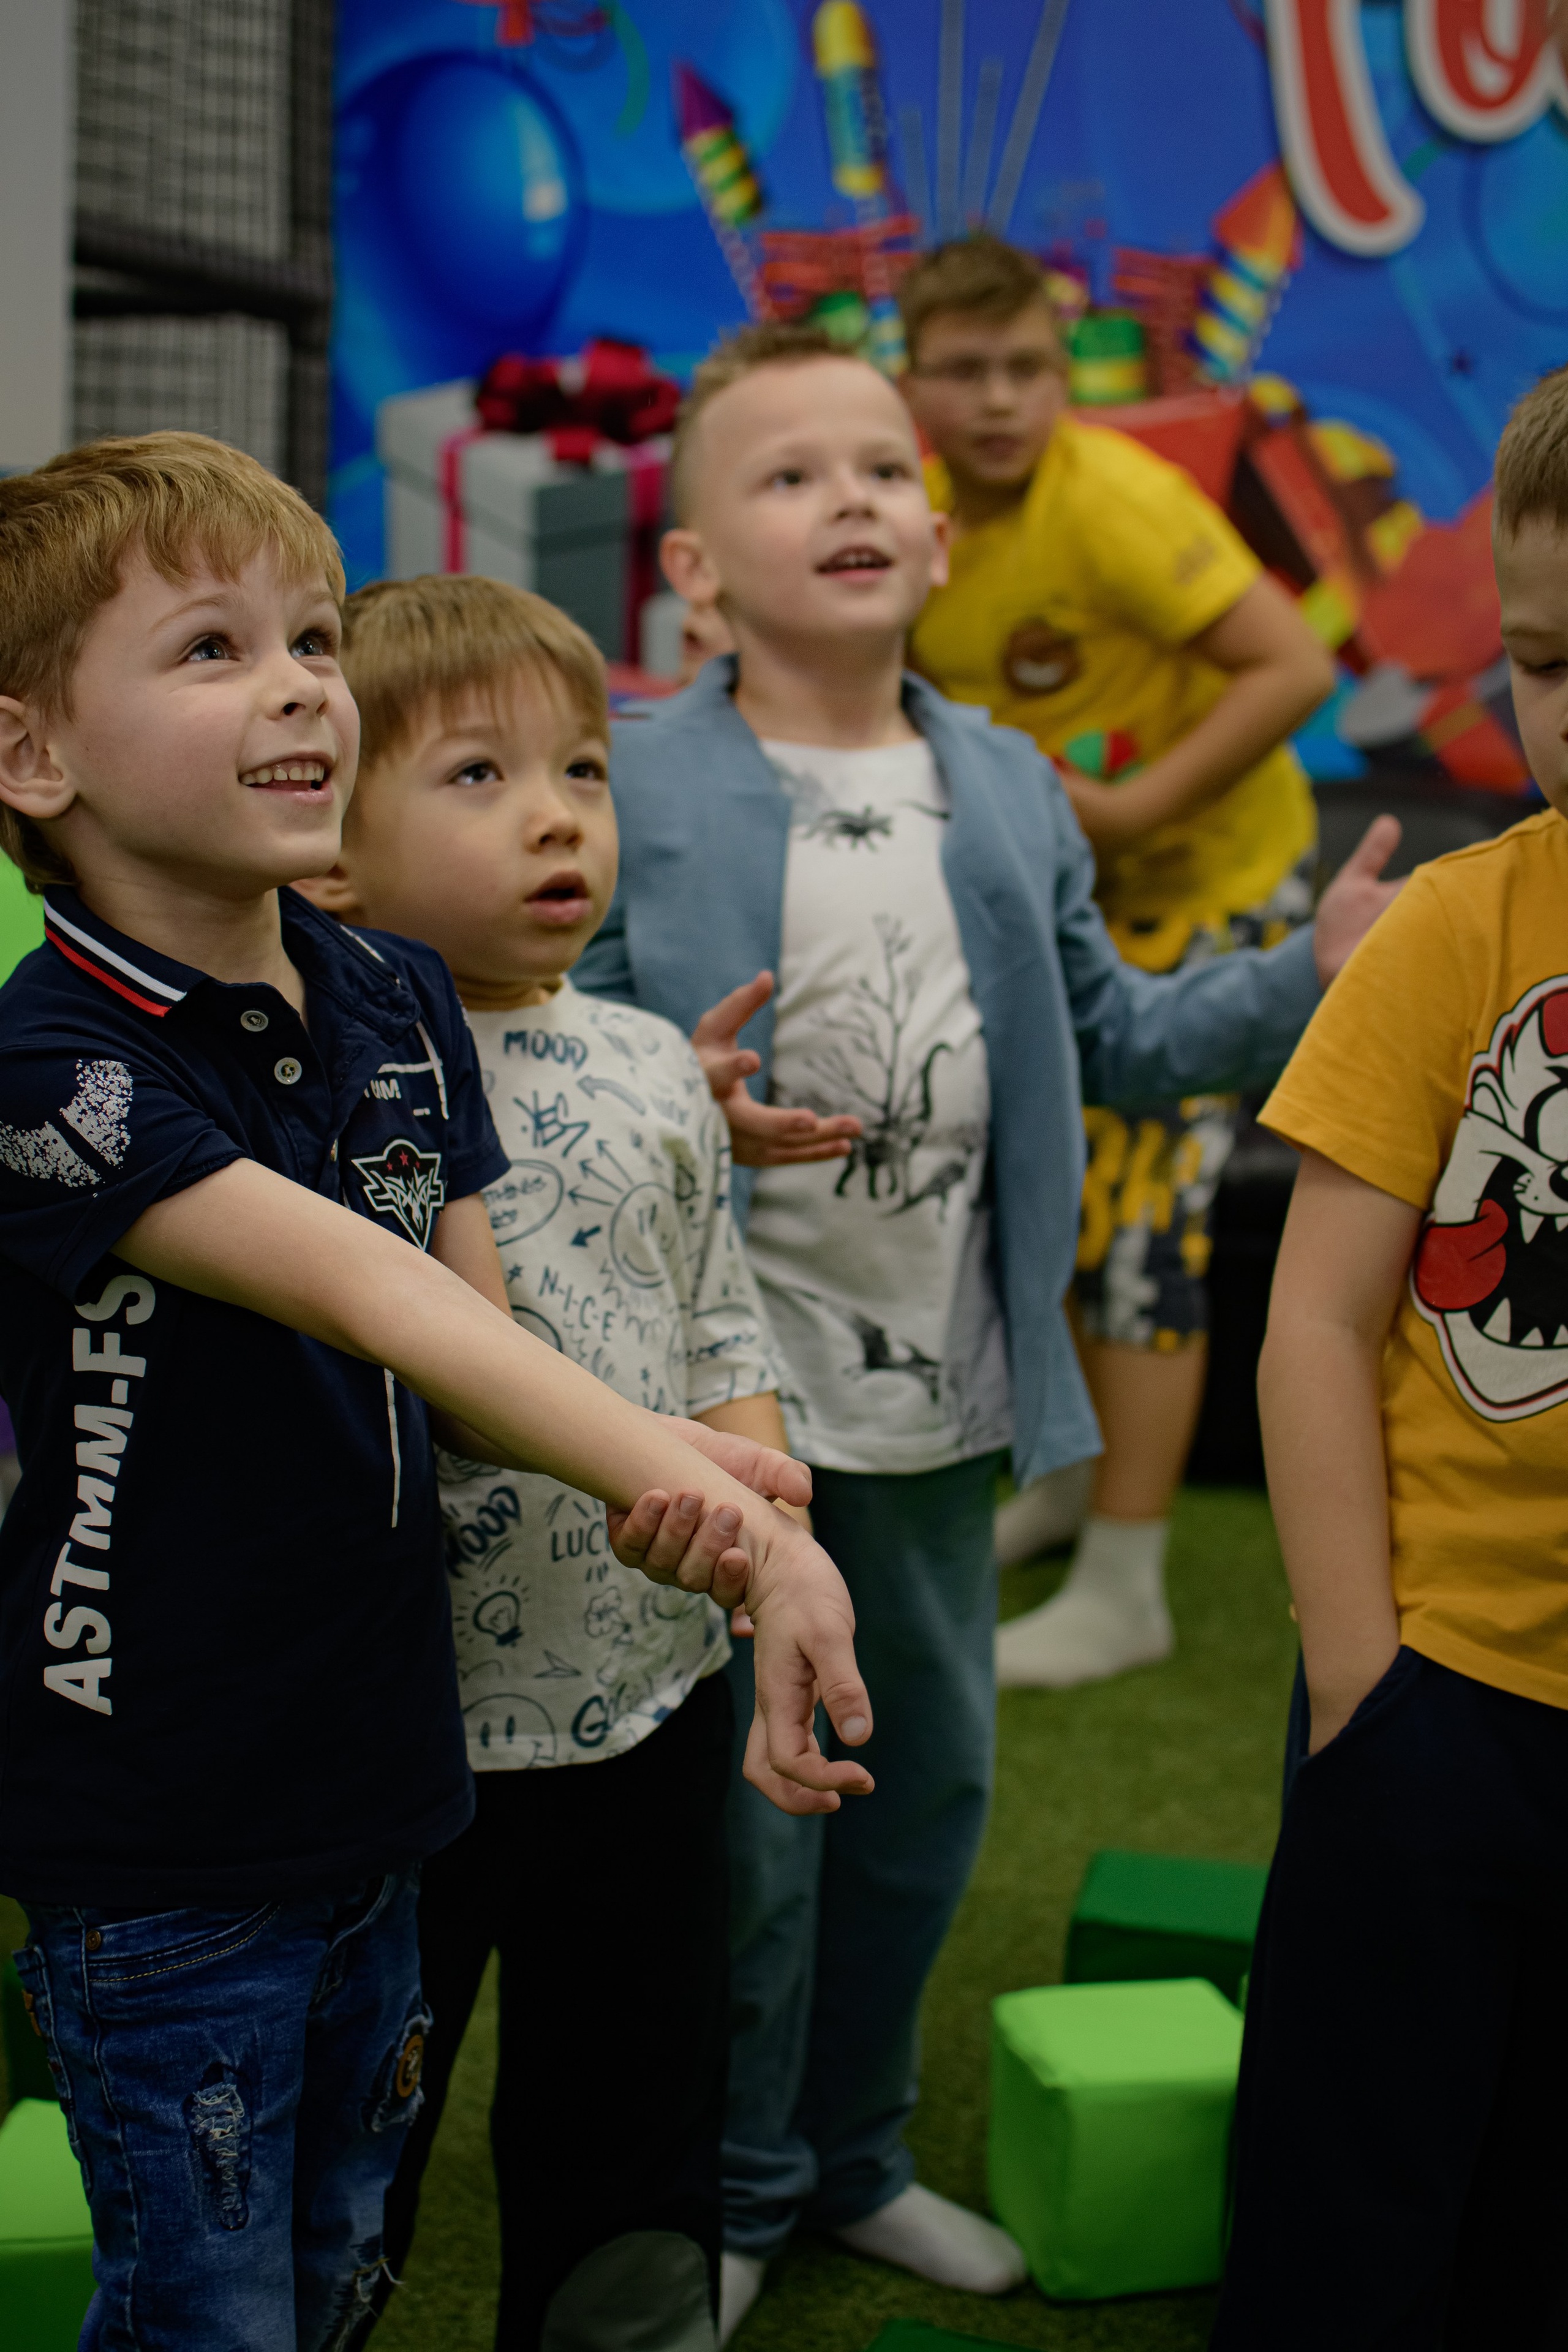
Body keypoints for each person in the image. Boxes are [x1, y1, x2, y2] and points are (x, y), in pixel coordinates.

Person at [0, 433, 872, 2351]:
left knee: (334, 2268)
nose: (306, 680)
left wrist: (703, 1519)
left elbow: (490, 1389)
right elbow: (390, 1301)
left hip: (385, 1780)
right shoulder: (52, 1067)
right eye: (215, 648)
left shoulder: (386, 998)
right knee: (206, 2311)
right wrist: (742, 1518)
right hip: (164, 1830)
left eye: (313, 638)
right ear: (35, 761)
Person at [570, 322, 1398, 2342]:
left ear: (937, 536)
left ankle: (857, 2159)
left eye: (877, 469)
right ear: (691, 573)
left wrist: (1307, 969)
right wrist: (679, 1088)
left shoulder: (1010, 781)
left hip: (943, 1407)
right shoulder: (643, 773)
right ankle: (739, 2185)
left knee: (925, 1794)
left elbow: (1120, 1040)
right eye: (788, 476)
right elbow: (551, 1029)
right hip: (721, 1413)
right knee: (749, 1850)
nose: (848, 498)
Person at [298, 571, 791, 2350]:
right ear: (331, 852)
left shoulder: (658, 1061)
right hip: (404, 1736)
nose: (557, 814)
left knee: (634, 2096)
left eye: (580, 769)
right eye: (480, 776)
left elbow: (722, 1318)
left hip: (649, 1706)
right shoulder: (321, 1070)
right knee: (352, 2124)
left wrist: (760, 1502)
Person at [1212, 370, 1568, 2348]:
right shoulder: (1460, 925)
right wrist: (1367, 1686)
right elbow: (1318, 1316)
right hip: (1441, 1689)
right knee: (1354, 2212)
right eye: (1542, 658)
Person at [899, 236, 1336, 1688]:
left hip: (1218, 874)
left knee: (1148, 1197)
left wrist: (1138, 807)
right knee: (1063, 1173)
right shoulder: (914, 512)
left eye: (1025, 367)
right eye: (963, 371)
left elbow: (1292, 666)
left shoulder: (1117, 504)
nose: (1000, 399)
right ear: (915, 378)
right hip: (1086, 897)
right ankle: (1080, 1484)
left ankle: (1128, 1577)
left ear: (1062, 362)